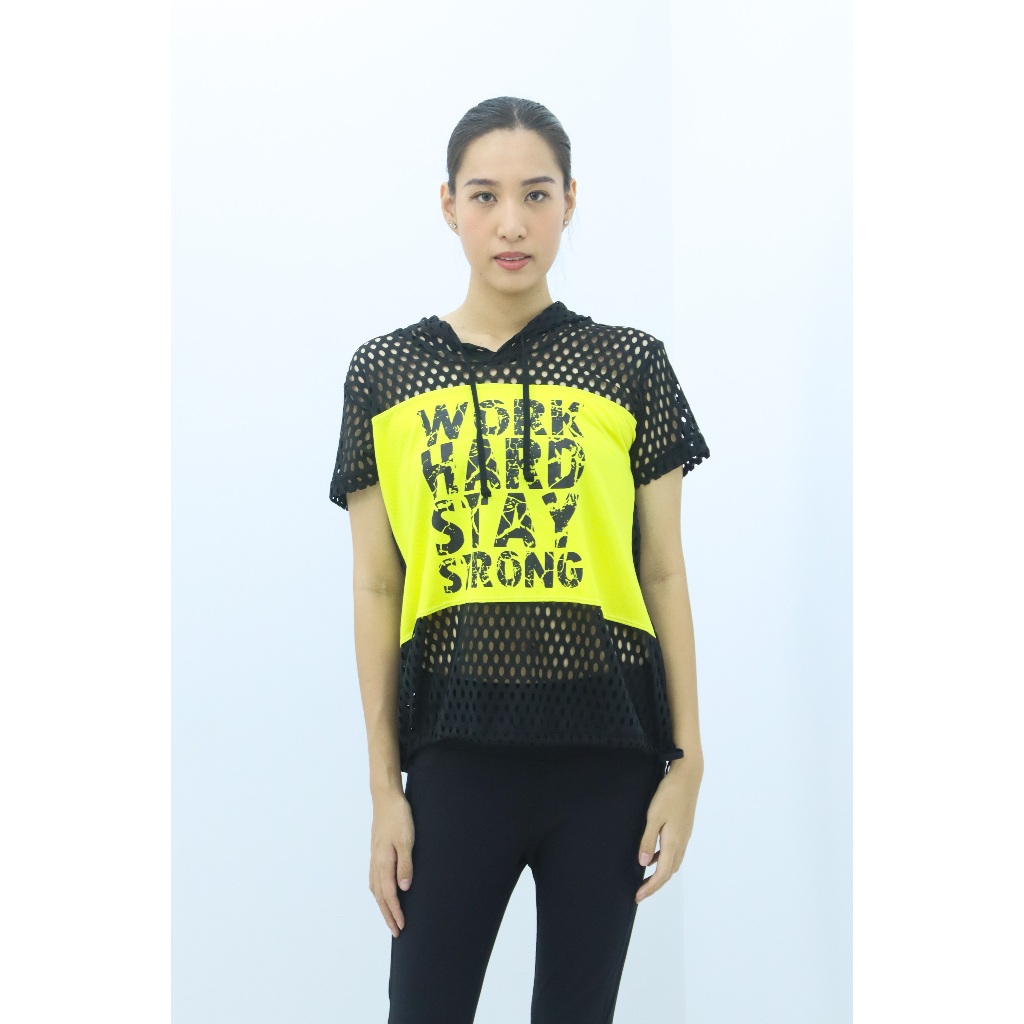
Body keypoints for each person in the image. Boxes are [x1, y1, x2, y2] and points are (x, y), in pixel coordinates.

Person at [329, 96, 711, 1024]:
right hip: (456, 754)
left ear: (570, 201)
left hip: (607, 757)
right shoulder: (386, 373)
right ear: (449, 205)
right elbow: (378, 584)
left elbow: (662, 571)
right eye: (485, 195)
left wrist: (689, 759)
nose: (511, 223)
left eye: (537, 195)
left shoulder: (629, 365)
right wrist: (384, 788)